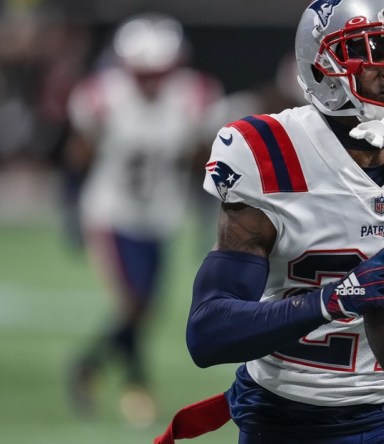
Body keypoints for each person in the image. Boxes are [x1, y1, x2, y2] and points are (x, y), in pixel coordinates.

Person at [156, 0, 384, 442]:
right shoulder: (270, 153)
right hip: (282, 415)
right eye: (376, 51)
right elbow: (207, 333)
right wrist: (334, 299)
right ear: (322, 64)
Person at [64, 13, 223, 427]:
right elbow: (77, 156)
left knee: (146, 308)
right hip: (111, 212)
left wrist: (207, 215)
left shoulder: (195, 98)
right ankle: (134, 385)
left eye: (159, 73)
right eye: (143, 73)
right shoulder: (101, 97)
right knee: (133, 303)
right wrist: (69, 214)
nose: (151, 82)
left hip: (161, 215)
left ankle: (92, 368)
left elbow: (202, 162)